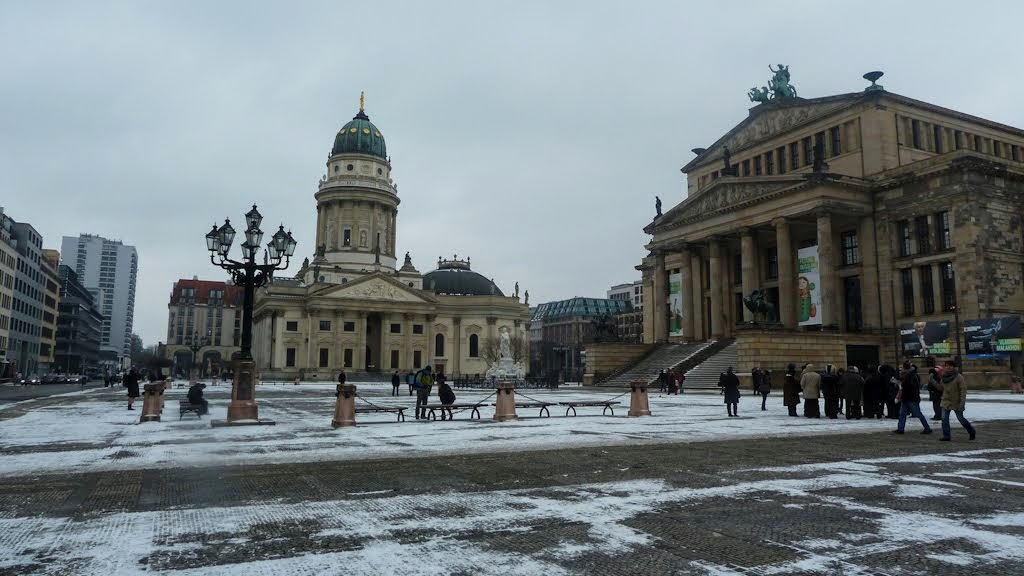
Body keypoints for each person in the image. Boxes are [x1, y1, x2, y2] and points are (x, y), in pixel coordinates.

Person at [939, 360, 976, 441]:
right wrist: (932, 381)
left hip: (956, 401)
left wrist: (962, 402)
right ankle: (946, 435)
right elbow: (941, 388)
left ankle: (971, 431)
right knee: (944, 418)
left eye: (950, 366)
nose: (948, 367)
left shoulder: (958, 377)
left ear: (953, 367)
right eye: (946, 366)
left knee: (961, 419)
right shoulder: (943, 377)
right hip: (946, 401)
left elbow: (963, 390)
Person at [894, 361, 932, 435]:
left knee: (910, 414)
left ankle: (901, 429)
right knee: (906, 414)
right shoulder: (912, 374)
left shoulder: (909, 375)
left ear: (904, 368)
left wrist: (900, 384)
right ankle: (900, 428)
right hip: (910, 397)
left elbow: (911, 386)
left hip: (910, 397)